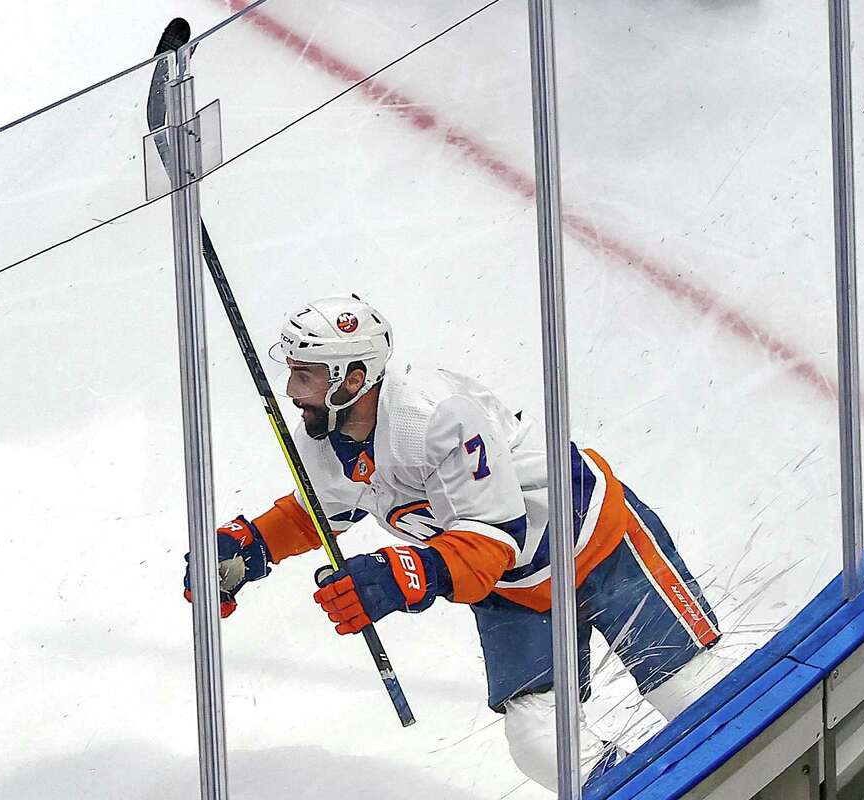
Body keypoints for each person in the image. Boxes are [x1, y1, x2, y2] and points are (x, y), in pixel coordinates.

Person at [184, 295, 722, 790]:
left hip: (595, 543)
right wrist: (248, 547)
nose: (291, 391)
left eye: (305, 375)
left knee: (687, 694)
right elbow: (318, 512)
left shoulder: (435, 414)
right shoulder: (325, 438)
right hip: (511, 585)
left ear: (351, 379)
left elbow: (496, 536)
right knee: (541, 744)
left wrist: (403, 576)